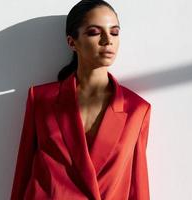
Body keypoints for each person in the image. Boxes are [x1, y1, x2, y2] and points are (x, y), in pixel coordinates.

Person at [10, 0, 152, 199]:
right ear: (72, 42)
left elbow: (138, 185)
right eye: (95, 32)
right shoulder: (41, 99)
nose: (107, 40)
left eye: (114, 32)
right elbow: (22, 174)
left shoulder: (137, 109)